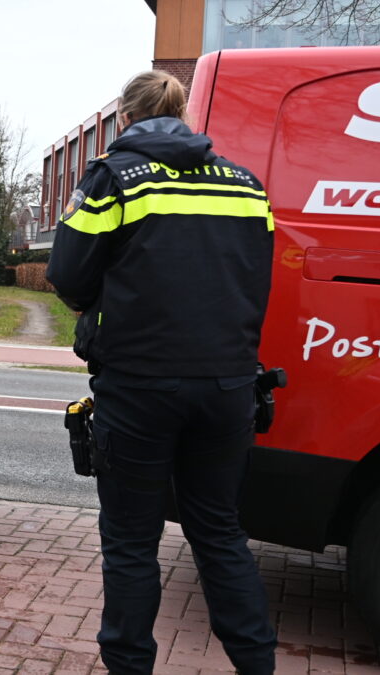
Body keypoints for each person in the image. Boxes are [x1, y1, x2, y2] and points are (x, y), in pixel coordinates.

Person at [46, 71, 278, 675]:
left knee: (130, 542)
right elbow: (256, 280)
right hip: (228, 386)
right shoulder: (246, 185)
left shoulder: (113, 179)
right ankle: (257, 665)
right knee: (220, 534)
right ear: (184, 117)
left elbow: (67, 275)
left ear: (126, 119)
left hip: (139, 388)